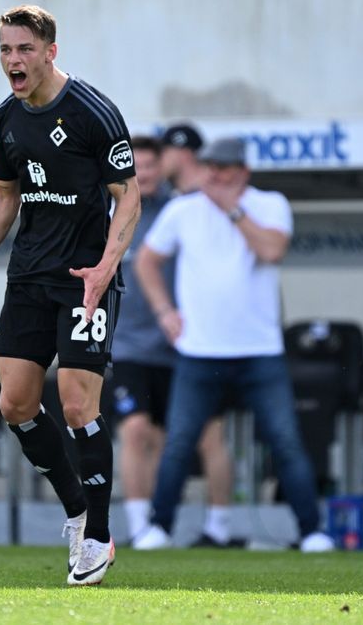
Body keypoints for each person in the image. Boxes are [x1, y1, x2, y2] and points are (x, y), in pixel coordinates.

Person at [0, 5, 141, 586]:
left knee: (78, 403)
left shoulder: (92, 112)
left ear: (50, 51)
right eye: (5, 50)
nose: (12, 60)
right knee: (15, 405)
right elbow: (5, 195)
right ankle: (76, 507)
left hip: (85, 280)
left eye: (23, 49)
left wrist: (107, 266)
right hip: (28, 278)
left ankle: (99, 535)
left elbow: (128, 196)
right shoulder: (6, 117)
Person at [134, 137, 335, 552]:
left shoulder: (270, 203)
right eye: (210, 167)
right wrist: (163, 312)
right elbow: (145, 261)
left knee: (285, 441)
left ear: (243, 171)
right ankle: (159, 527)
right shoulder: (182, 210)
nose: (215, 176)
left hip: (260, 350)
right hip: (198, 352)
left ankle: (312, 531)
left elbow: (272, 250)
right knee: (179, 443)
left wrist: (233, 210)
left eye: (224, 168)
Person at [107, 136, 235, 549]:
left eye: (150, 165)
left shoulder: (180, 209)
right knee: (135, 430)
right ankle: (141, 526)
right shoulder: (111, 212)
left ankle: (203, 526)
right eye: (135, 166)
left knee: (189, 437)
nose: (143, 173)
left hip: (183, 346)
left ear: (161, 168)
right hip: (127, 346)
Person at [160, 123, 206, 195]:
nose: (158, 158)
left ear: (184, 153)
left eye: (164, 151)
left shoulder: (213, 195)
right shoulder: (172, 195)